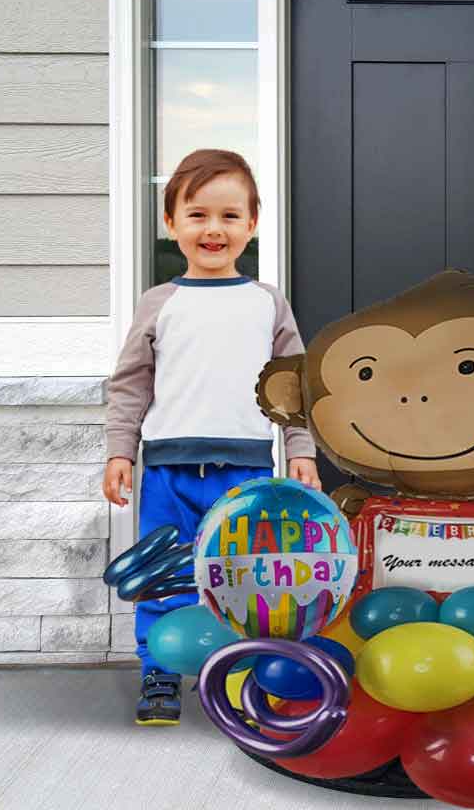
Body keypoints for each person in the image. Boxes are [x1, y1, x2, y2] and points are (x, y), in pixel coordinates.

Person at [102, 148, 320, 725]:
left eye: (229, 216)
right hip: (168, 474)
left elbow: (292, 388)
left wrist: (301, 452)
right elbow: (129, 386)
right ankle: (158, 671)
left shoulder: (266, 303)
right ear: (171, 224)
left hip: (247, 475)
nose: (213, 229)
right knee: (165, 578)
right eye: (197, 215)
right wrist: (120, 451)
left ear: (251, 225)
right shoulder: (160, 303)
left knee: (247, 579)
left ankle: (244, 672)